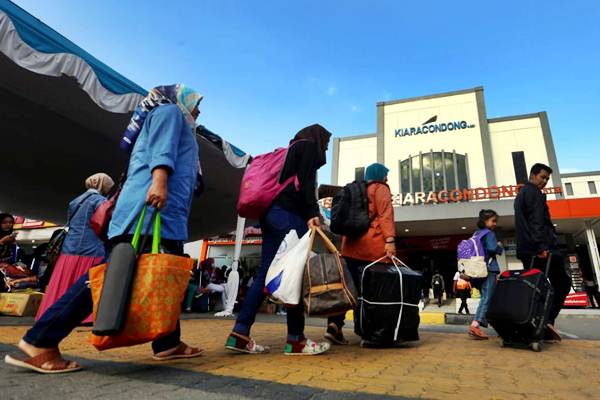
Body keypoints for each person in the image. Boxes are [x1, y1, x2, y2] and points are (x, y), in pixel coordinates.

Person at [6, 84, 204, 373]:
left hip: (160, 216)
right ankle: (40, 341)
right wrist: (160, 181)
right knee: (108, 280)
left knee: (164, 272)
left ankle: (168, 343)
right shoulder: (170, 111)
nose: (199, 110)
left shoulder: (176, 119)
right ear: (183, 99)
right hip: (147, 213)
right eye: (197, 103)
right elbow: (162, 150)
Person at [225, 124, 332, 356]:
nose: (326, 147)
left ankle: (240, 333)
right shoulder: (308, 147)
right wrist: (313, 214)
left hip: (270, 215)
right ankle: (296, 339)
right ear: (318, 138)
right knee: (294, 273)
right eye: (326, 142)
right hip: (288, 216)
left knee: (267, 271)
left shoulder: (290, 150)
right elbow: (305, 186)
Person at [322, 163, 396, 345]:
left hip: (350, 247)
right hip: (373, 250)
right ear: (380, 175)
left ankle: (334, 326)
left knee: (347, 289)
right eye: (385, 175)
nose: (387, 178)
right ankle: (369, 332)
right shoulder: (381, 188)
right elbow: (385, 214)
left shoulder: (356, 190)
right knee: (372, 293)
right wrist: (390, 240)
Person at [35, 173, 115, 322]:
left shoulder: (75, 201)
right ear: (103, 185)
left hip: (69, 248)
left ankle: (52, 312)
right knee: (87, 281)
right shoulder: (100, 201)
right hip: (92, 247)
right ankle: (86, 316)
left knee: (63, 282)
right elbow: (104, 223)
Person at [514, 163, 571, 341]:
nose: (545, 181)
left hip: (526, 249)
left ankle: (533, 324)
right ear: (533, 175)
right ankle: (545, 321)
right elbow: (536, 221)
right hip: (540, 249)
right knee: (562, 283)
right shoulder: (534, 193)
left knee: (535, 289)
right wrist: (541, 247)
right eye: (542, 177)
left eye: (547, 178)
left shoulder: (521, 194)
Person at [468, 209, 503, 339]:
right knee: (487, 298)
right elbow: (493, 248)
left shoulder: (476, 234)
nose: (495, 223)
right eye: (493, 221)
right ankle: (475, 325)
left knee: (488, 298)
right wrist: (499, 246)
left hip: (477, 270)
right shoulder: (489, 233)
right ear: (485, 221)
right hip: (489, 269)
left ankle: (498, 327)